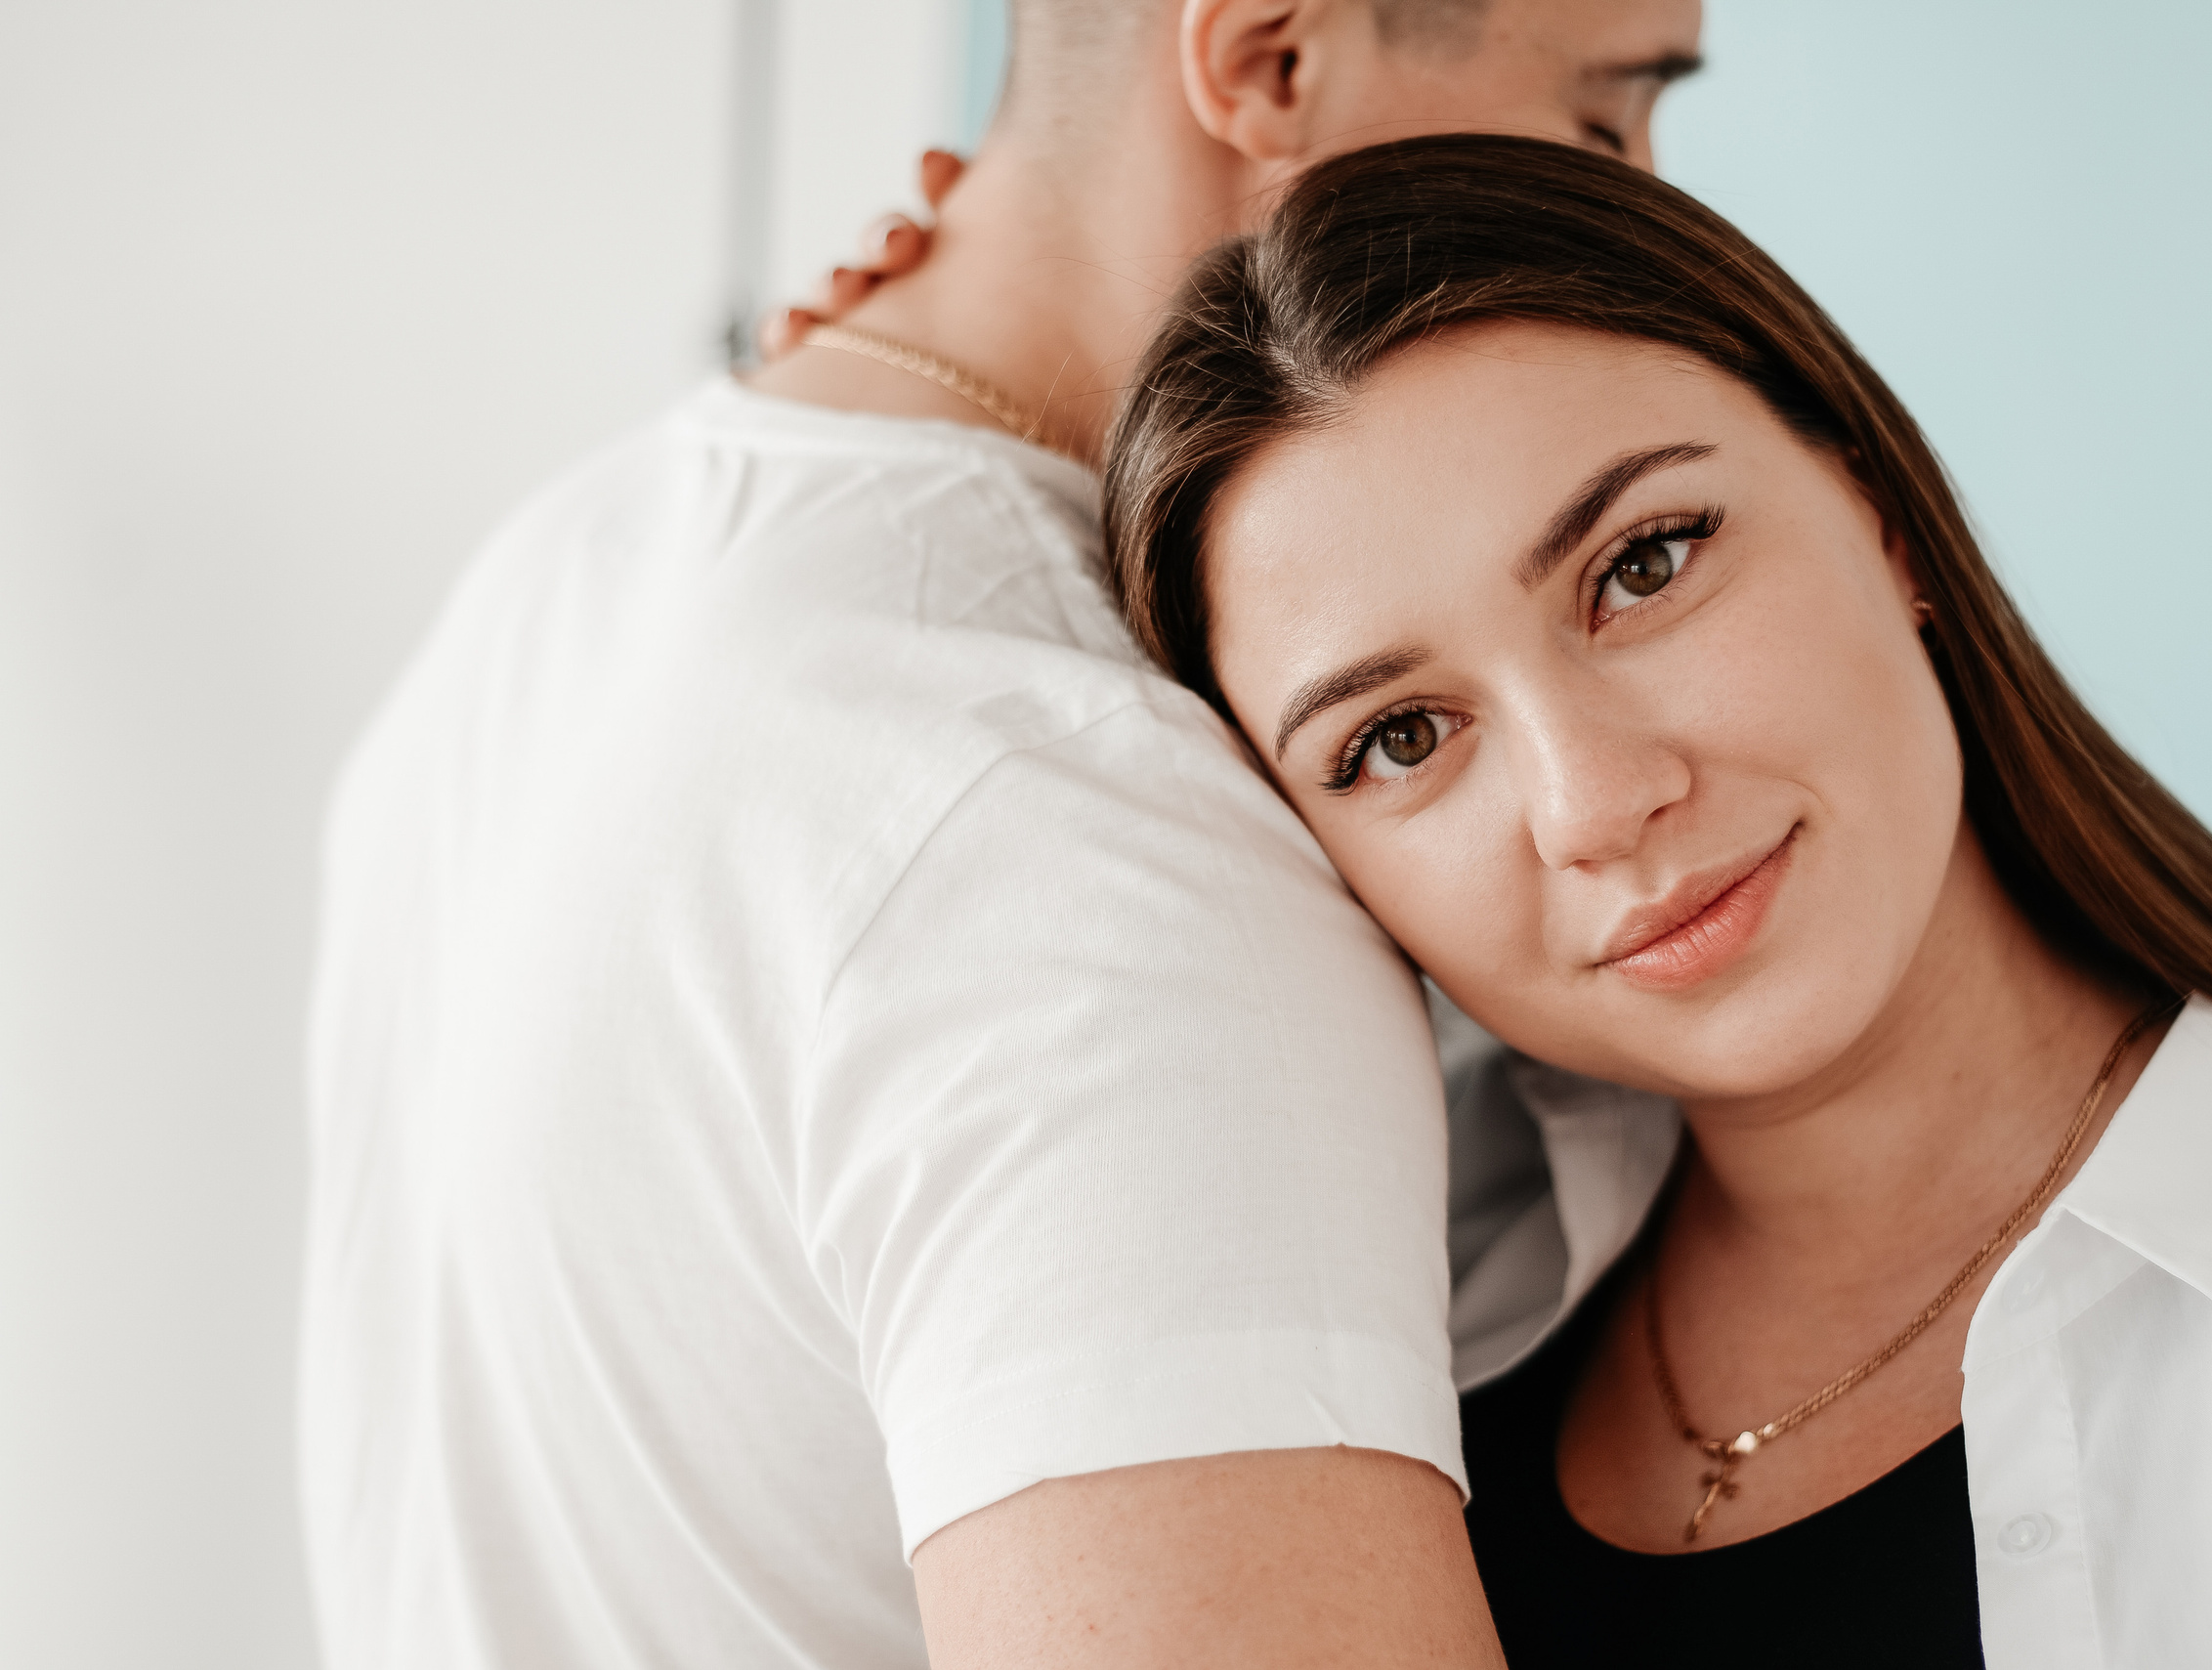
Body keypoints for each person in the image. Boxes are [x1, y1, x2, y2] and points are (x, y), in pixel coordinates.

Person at [300, 5, 1702, 1668]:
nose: (1658, 222)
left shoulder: (557, 575)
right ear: (1271, 58)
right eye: (1603, 120)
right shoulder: (1096, 818)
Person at [1101, 133, 2212, 1667]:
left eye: (1645, 566)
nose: (1594, 800)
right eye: (1402, 739)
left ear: (1879, 511)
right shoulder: (1388, 1347)